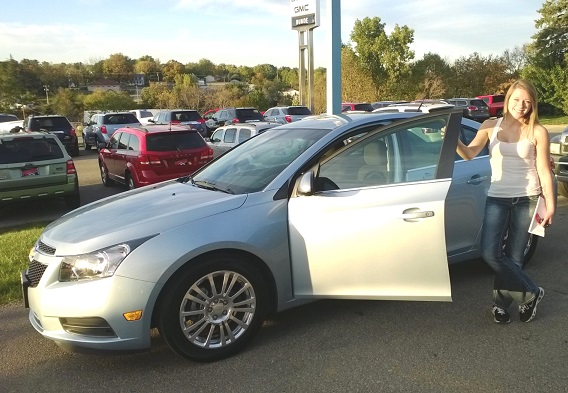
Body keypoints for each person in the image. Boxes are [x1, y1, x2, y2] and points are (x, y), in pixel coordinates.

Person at [456, 79, 555, 324]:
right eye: (517, 100)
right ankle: (531, 292)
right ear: (507, 99)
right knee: (490, 253)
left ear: (533, 105)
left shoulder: (538, 131)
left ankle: (500, 306)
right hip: (497, 197)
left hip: (527, 197)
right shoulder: (490, 125)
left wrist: (551, 204)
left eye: (527, 102)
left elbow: (543, 169)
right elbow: (469, 153)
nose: (521, 106)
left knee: (514, 256)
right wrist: (450, 139)